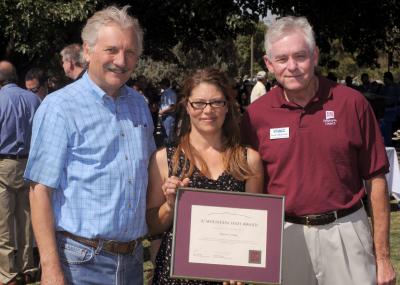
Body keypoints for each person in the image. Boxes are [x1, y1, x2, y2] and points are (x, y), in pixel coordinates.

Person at [241, 16, 396, 285]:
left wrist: (382, 258)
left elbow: (376, 181)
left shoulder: (352, 104)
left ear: (315, 56)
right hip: (285, 234)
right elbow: (246, 186)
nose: (292, 67)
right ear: (268, 64)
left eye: (300, 56)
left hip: (346, 230)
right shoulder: (255, 116)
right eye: (282, 59)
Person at [24, 6, 156, 285]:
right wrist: (50, 268)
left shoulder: (140, 106)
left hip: (133, 262)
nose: (121, 61)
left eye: (130, 52)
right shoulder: (60, 108)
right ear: (88, 50)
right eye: (111, 50)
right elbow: (40, 192)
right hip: (80, 265)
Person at [147, 68, 264, 285]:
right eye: (199, 103)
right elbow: (152, 226)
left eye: (216, 102)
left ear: (227, 106)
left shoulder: (248, 160)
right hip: (176, 276)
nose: (208, 110)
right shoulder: (164, 159)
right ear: (187, 106)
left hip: (228, 278)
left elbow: (254, 232)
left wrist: (243, 269)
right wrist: (170, 205)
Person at [0, 61, 40, 285]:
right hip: (30, 163)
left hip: (3, 162)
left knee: (3, 223)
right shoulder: (33, 99)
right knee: (26, 219)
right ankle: (28, 267)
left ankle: (8, 274)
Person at [158, 78, 177, 145]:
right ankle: (166, 151)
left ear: (165, 84)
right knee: (165, 136)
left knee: (169, 136)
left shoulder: (171, 93)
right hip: (164, 116)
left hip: (169, 116)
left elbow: (172, 106)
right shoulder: (165, 93)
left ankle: (170, 152)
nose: (160, 85)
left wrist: (162, 111)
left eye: (161, 84)